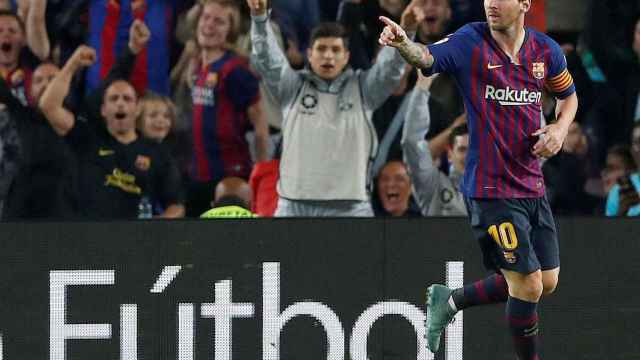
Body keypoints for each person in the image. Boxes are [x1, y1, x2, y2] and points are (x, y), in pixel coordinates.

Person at [378, 0, 578, 358]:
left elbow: (569, 97)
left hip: (531, 185)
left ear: (524, 4)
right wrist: (403, 42)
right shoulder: (471, 41)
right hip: (491, 190)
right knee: (528, 285)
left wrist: (560, 130)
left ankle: (450, 300)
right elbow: (425, 58)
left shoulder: (544, 51)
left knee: (545, 281)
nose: (490, 3)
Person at [248, 0, 421, 217]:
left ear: (346, 56)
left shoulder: (364, 90)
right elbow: (266, 59)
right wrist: (260, 19)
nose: (328, 55)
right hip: (295, 206)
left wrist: (408, 31)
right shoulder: (291, 88)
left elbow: (390, 70)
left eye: (335, 49)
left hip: (351, 207)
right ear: (309, 54)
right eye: (321, 49)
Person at [40, 42, 185, 219]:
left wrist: (154, 229)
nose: (120, 103)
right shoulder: (88, 138)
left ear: (137, 108)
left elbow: (176, 206)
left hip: (136, 241)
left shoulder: (156, 152)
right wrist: (72, 65)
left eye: (127, 98)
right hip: (90, 238)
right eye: (113, 98)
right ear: (103, 110)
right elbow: (49, 106)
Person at [186, 0, 269, 217]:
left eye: (219, 22)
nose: (209, 25)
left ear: (230, 31)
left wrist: (261, 173)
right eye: (206, 18)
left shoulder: (235, 70)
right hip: (199, 175)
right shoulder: (197, 65)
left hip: (230, 178)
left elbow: (260, 126)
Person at [402, 72, 467, 216]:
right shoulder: (432, 186)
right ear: (450, 154)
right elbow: (412, 143)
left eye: (474, 150)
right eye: (462, 149)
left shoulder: (496, 189)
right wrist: (422, 85)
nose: (469, 156)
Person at [604, 145, 640, 217]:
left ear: (631, 170)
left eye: (613, 168)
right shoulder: (615, 192)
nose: (607, 175)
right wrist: (622, 211)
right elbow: (609, 226)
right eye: (609, 169)